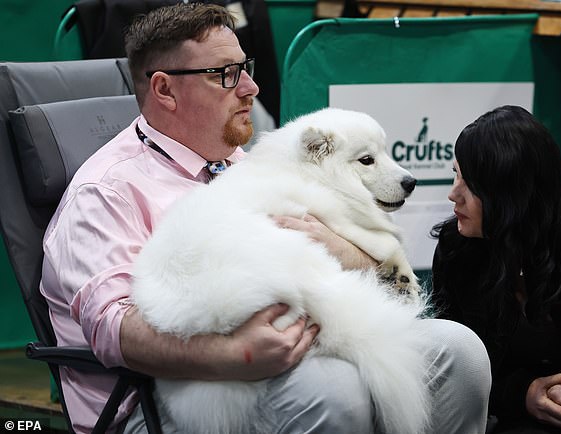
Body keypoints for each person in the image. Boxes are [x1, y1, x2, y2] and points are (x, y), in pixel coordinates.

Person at [41, 3, 491, 433]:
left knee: (461, 353)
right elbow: (114, 328)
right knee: (337, 392)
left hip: (293, 347)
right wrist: (233, 355)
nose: (250, 88)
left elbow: (328, 260)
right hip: (163, 399)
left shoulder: (239, 163)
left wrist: (345, 251)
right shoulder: (104, 192)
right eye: (224, 74)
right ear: (164, 90)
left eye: (245, 67)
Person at [431, 104, 561, 434]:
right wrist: (522, 393)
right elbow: (451, 367)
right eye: (456, 174)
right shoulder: (459, 249)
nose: (453, 194)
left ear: (513, 195)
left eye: (470, 184)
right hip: (532, 407)